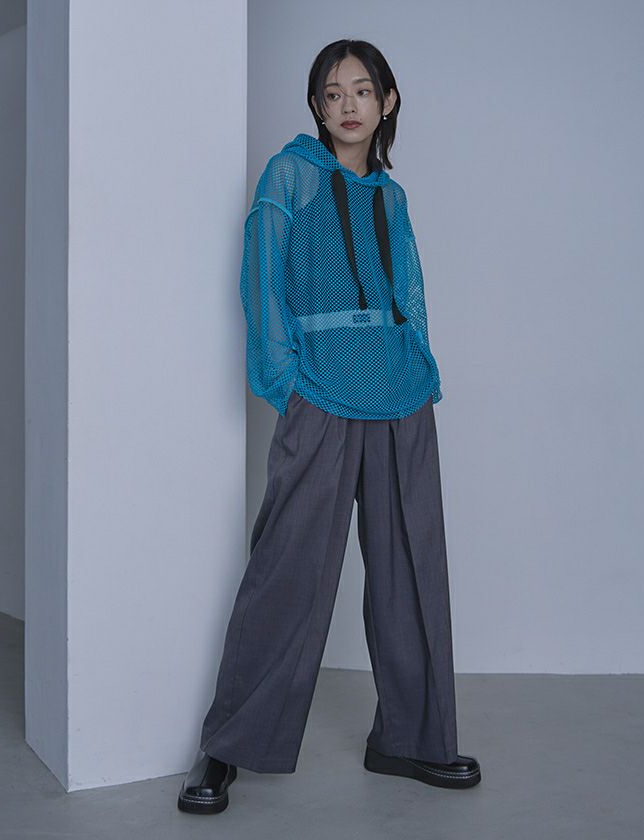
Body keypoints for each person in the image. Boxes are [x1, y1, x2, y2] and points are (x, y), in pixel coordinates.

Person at [177, 38, 481, 816]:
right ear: (316, 106)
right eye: (333, 93)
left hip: (400, 397)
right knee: (289, 570)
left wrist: (421, 369)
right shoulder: (291, 174)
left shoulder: (392, 197)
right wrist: (287, 385)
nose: (348, 105)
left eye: (362, 90)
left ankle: (411, 740)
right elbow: (262, 280)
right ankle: (227, 747)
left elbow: (410, 290)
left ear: (387, 102)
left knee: (413, 569)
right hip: (320, 392)